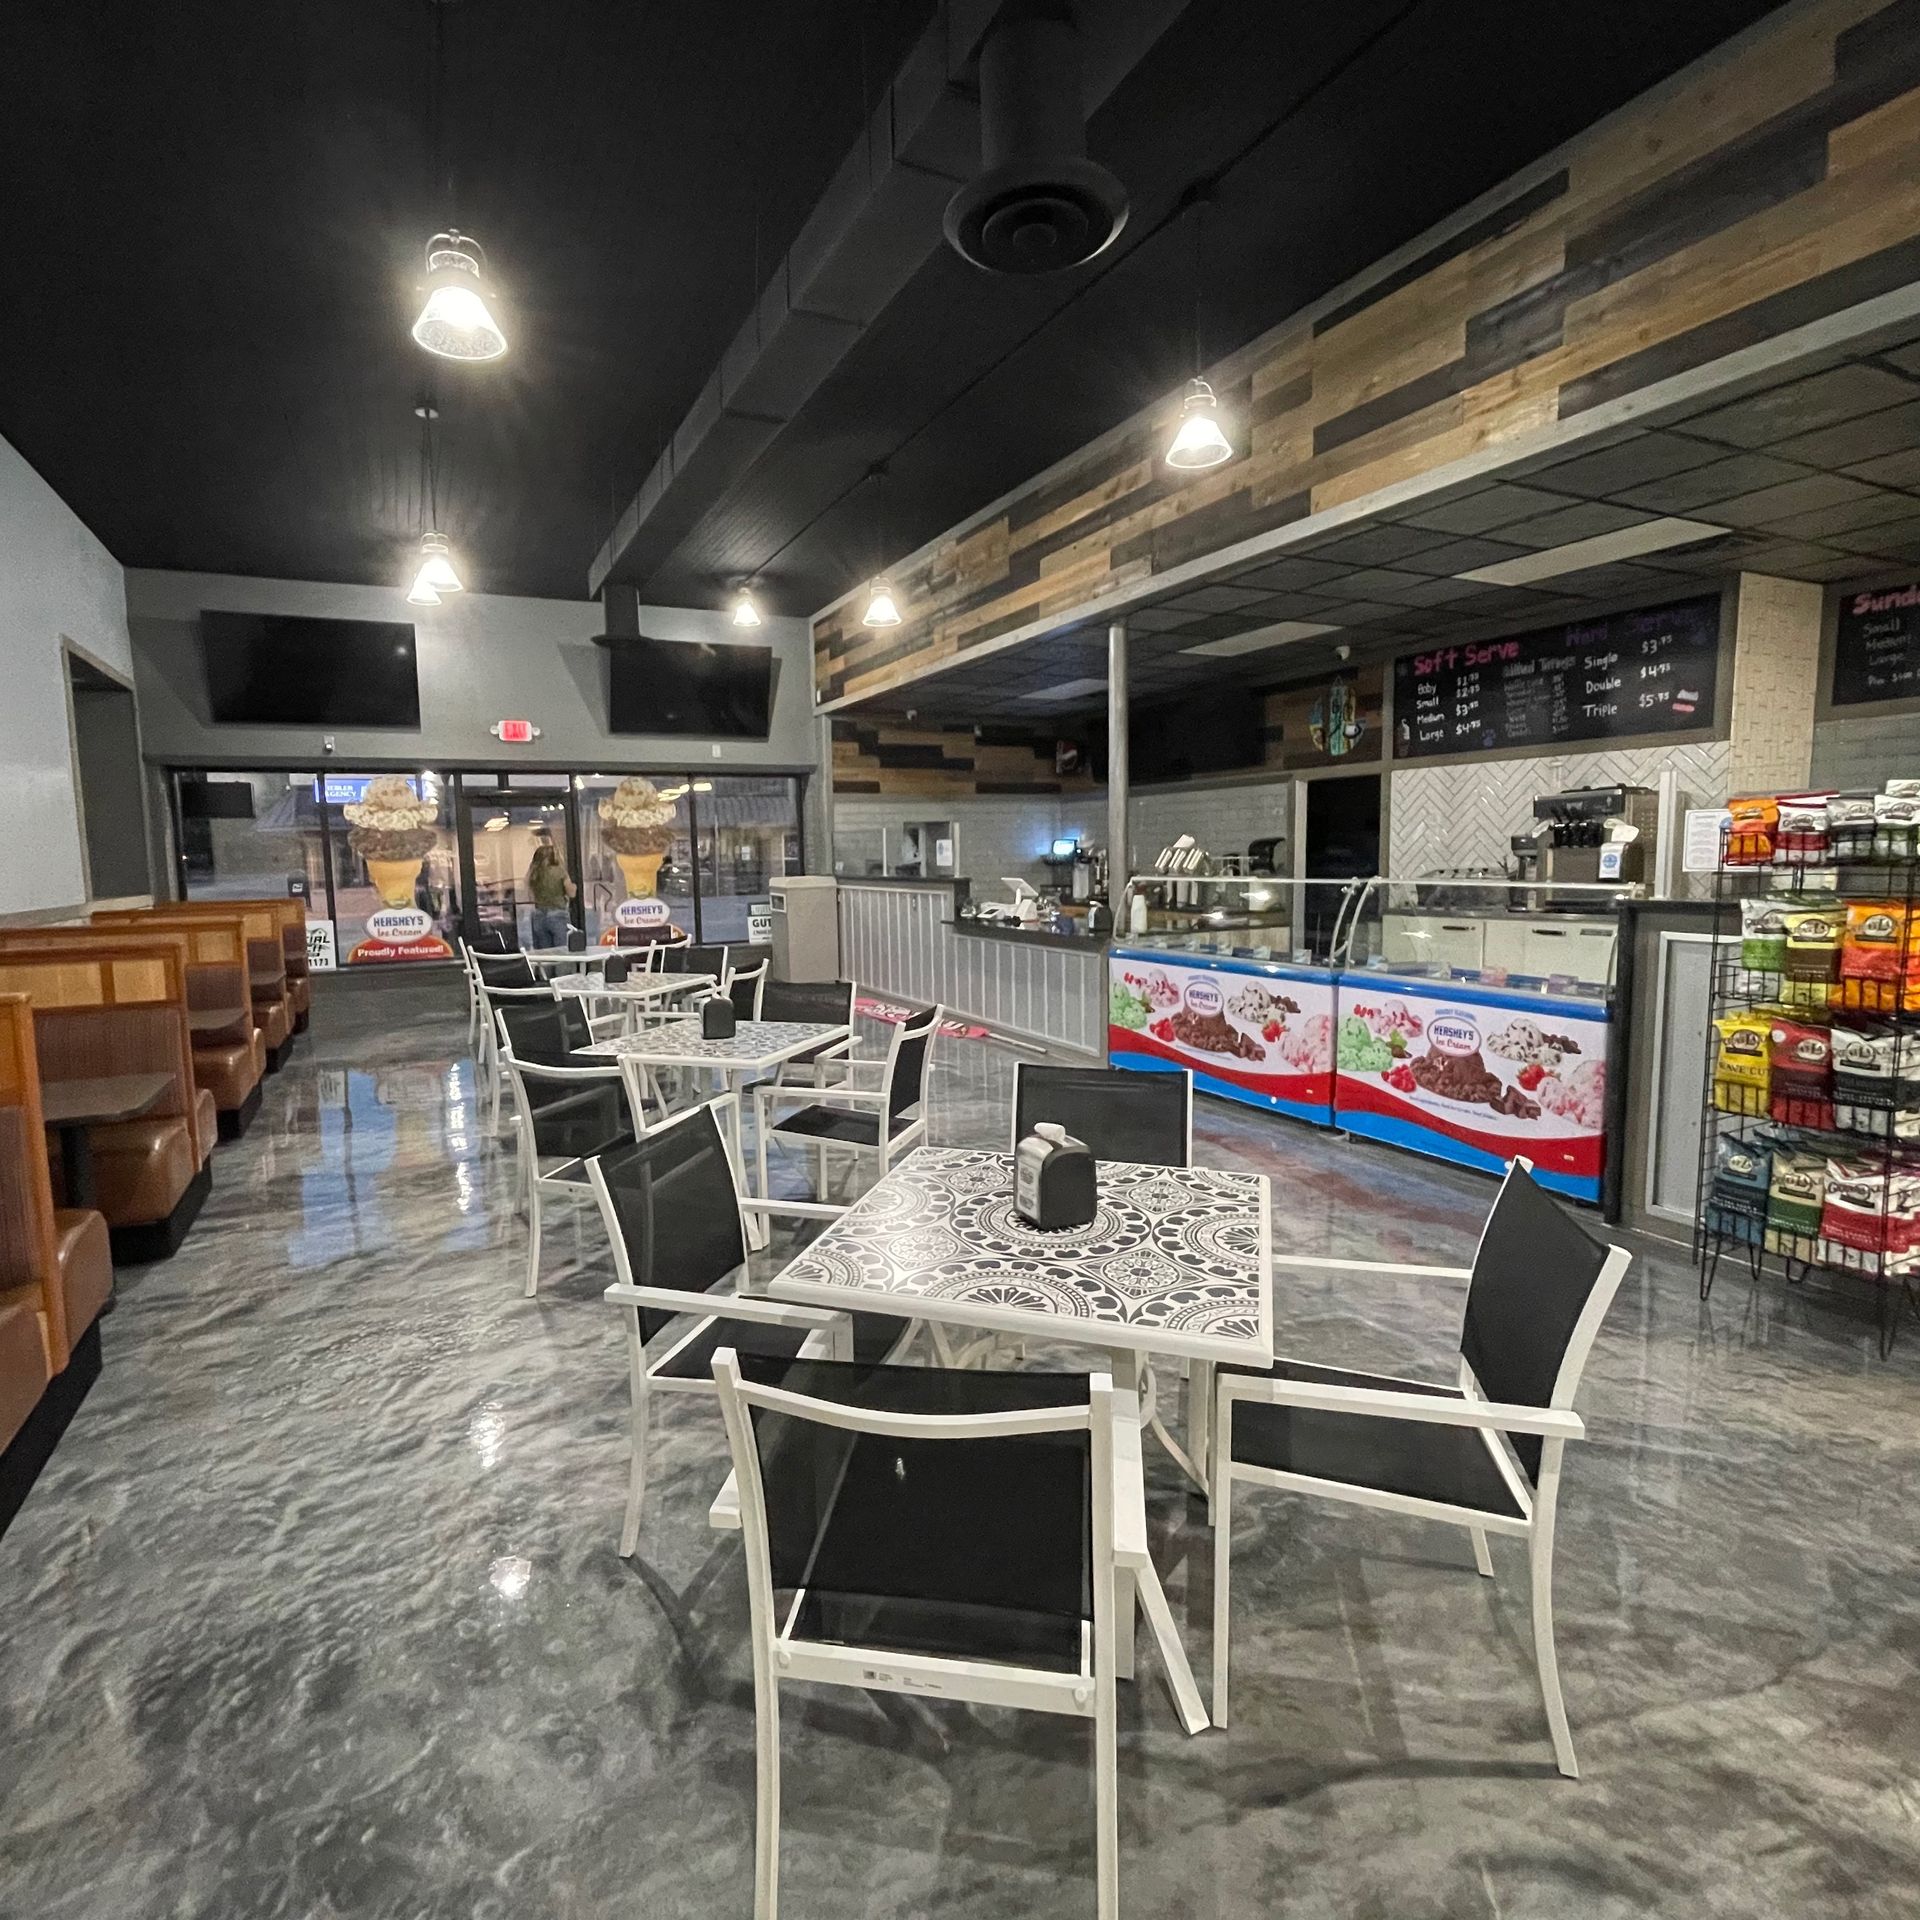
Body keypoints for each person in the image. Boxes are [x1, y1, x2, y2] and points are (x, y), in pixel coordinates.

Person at [527, 837, 576, 948]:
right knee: (561, 953)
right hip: (557, 914)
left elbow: (530, 896)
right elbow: (571, 893)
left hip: (539, 915)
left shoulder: (534, 873)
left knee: (546, 955)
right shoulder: (559, 870)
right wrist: (574, 886)